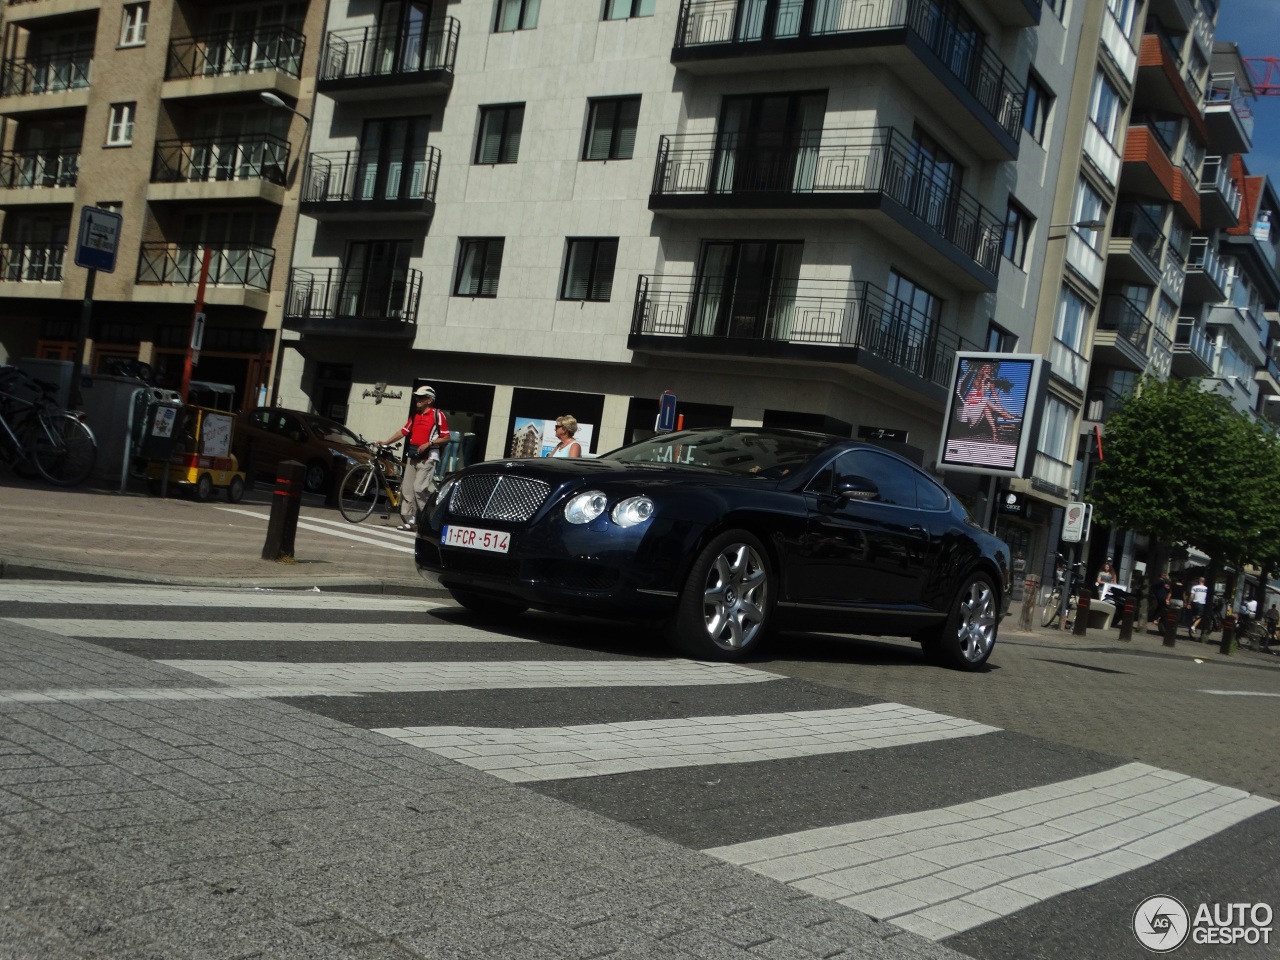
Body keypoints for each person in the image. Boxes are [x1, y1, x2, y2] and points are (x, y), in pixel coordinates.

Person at [382, 384, 450, 531]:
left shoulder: (437, 415)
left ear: (429, 400)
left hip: (428, 457)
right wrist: (386, 442)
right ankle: (411, 521)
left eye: (421, 397)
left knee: (419, 489)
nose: (417, 399)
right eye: (417, 397)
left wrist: (429, 443)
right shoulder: (415, 415)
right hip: (413, 456)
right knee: (407, 489)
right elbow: (403, 432)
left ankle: (430, 518)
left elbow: (446, 437)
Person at [956, 361, 1014, 444]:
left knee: (986, 407)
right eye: (986, 368)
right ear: (982, 370)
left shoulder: (991, 382)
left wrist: (1000, 405)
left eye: (989, 368)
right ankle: (1003, 413)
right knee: (985, 399)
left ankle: (994, 431)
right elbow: (980, 394)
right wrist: (983, 381)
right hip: (972, 400)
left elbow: (994, 394)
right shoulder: (977, 379)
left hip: (981, 402)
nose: (988, 370)